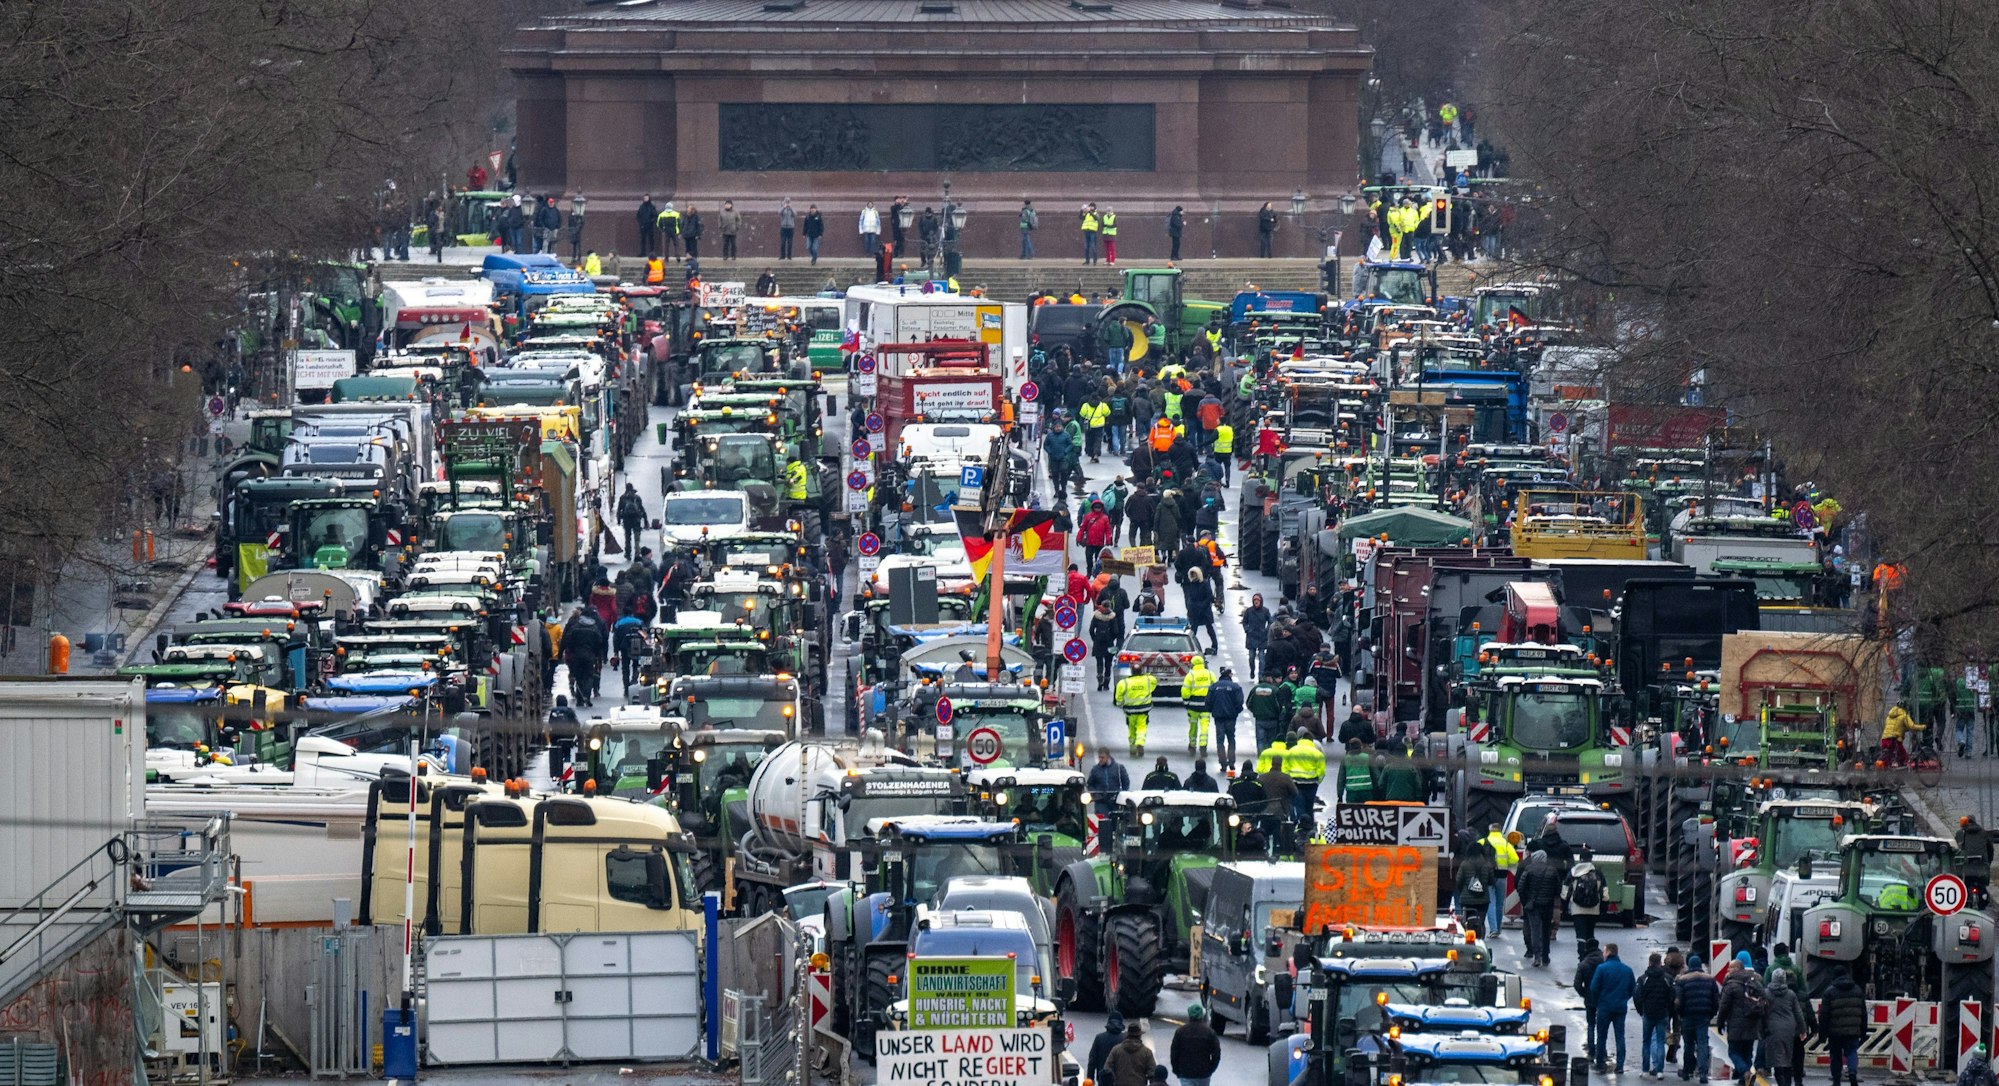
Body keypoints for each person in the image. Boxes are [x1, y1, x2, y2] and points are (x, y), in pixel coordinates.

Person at [1716, 951, 1767, 1086]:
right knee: (1747, 1053)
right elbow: (1764, 999)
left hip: (1736, 1024)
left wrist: (1720, 1023)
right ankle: (1744, 1080)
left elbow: (1724, 1006)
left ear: (1737, 968)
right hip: (1753, 1023)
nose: (1728, 970)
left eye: (1730, 968)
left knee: (1733, 1052)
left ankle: (1745, 1072)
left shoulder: (1731, 984)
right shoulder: (1756, 981)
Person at [1589, 943, 1635, 1075]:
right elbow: (1632, 989)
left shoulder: (1601, 968)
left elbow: (1593, 987)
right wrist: (1624, 998)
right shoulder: (1627, 970)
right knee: (1620, 1036)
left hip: (1604, 1007)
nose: (1603, 955)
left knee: (1602, 1036)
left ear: (1608, 952)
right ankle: (1620, 1065)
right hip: (1620, 1008)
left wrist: (1598, 1001)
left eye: (1604, 952)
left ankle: (1600, 1063)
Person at [1762, 969, 1813, 1086]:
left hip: (1772, 1028)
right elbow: (1798, 1013)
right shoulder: (1790, 994)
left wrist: (1761, 1028)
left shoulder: (1766, 993)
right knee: (1787, 1058)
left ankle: (1781, 1083)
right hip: (1789, 1028)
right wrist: (1803, 1029)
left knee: (1776, 1060)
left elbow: (1762, 1012)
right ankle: (1788, 1083)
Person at [1674, 955, 1720, 1083]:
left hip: (1688, 1015)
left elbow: (1679, 1001)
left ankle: (1687, 1071)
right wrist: (1711, 1014)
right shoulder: (1710, 979)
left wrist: (1680, 1014)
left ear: (1689, 965)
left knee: (1688, 1044)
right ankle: (1703, 1073)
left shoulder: (1682, 980)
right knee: (1702, 1043)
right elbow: (1715, 1000)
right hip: (1704, 1016)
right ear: (1700, 965)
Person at [1517, 850, 1562, 967]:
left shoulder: (1529, 869)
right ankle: (1545, 956)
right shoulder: (1552, 870)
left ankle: (1537, 956)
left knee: (1535, 930)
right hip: (1548, 905)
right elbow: (1558, 889)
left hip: (1533, 905)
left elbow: (1521, 887)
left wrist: (1526, 901)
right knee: (1546, 930)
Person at [1636, 951, 1677, 1080]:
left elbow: (1637, 996)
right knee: (1660, 1042)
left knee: (1646, 1042)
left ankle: (1645, 1070)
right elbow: (1672, 996)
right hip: (1662, 1013)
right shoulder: (1667, 979)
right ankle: (1660, 1070)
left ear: (1649, 962)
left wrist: (1641, 1010)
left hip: (1648, 1013)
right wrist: (1668, 1010)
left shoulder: (1643, 978)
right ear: (1660, 963)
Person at [1169, 1003, 1222, 1086]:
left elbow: (1174, 1053)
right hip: (1203, 1073)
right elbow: (1216, 1054)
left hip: (1185, 1072)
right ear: (1201, 1016)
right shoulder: (1209, 1032)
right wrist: (1210, 1069)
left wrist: (1176, 1070)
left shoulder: (1180, 1032)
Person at [1564, 846, 1606, 946]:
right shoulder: (1598, 873)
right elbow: (1605, 893)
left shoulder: (1573, 872)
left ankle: (1581, 951)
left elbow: (1565, 891)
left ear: (1580, 858)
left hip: (1577, 908)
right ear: (1591, 859)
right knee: (1590, 933)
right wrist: (1603, 907)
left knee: (1580, 934)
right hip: (1594, 908)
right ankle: (1590, 950)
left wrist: (1565, 906)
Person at [1114, 665, 1158, 756]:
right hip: (1143, 710)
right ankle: (1140, 743)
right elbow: (1154, 681)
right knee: (1142, 727)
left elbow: (1118, 697)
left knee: (1131, 728)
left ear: (1131, 671)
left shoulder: (1124, 683)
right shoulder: (1148, 680)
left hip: (1130, 711)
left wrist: (1120, 703)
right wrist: (1146, 675)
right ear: (1141, 671)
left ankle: (1132, 746)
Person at [1455, 839, 1496, 937]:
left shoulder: (1464, 864)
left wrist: (1463, 890)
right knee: (1480, 921)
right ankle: (1480, 937)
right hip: (1483, 899)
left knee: (1467, 921)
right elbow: (1492, 881)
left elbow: (1458, 881)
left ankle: (1468, 935)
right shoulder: (1487, 864)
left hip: (1466, 900)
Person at [1574, 939, 1605, 1065]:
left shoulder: (1583, 964)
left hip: (1590, 998)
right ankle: (1602, 1050)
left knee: (1591, 1024)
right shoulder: (1604, 962)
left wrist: (1585, 994)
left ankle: (1591, 1051)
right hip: (1603, 998)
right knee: (1602, 1026)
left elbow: (1577, 984)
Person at [1208, 666, 1245, 767]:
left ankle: (1223, 762)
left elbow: (1208, 702)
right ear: (1229, 675)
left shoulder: (1214, 687)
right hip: (1231, 718)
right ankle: (1231, 761)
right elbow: (1239, 702)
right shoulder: (1235, 687)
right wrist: (1235, 712)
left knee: (1220, 740)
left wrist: (1212, 711)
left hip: (1218, 718)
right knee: (1231, 739)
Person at [1181, 654, 1216, 755]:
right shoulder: (1210, 674)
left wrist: (1186, 703)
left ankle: (1192, 745)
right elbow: (1214, 687)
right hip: (1206, 706)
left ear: (1192, 664)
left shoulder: (1190, 675)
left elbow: (1185, 691)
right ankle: (1203, 745)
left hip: (1193, 706)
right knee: (1205, 726)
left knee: (1193, 726)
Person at [1104, 1022, 1155, 1086]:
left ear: (1127, 1035)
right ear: (1139, 1036)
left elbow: (1107, 1069)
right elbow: (1152, 1073)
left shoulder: (1116, 1050)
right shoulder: (1146, 1052)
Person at [1087, 1012, 1127, 1086]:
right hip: (1121, 1080)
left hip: (1103, 1079)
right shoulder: (1125, 1039)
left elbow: (1092, 1061)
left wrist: (1090, 1079)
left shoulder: (1099, 1038)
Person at [1090, 600, 1121, 691]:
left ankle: (1100, 680)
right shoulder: (1112, 617)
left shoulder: (1097, 616)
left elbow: (1091, 629)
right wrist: (1111, 639)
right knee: (1108, 663)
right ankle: (1106, 683)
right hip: (1109, 643)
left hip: (1098, 642)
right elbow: (1116, 631)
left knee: (1099, 663)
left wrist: (1095, 639)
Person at [1241, 594, 1272, 676]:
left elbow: (1270, 621)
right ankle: (1252, 670)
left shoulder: (1265, 611)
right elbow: (1244, 622)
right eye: (1254, 600)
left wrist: (1266, 630)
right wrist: (1247, 629)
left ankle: (1260, 675)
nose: (1256, 601)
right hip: (1252, 636)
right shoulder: (1249, 611)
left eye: (1258, 600)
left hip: (1262, 636)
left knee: (1261, 658)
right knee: (1251, 657)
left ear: (1261, 601)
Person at [616, 483, 647, 555]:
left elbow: (619, 510)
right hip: (636, 520)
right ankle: (637, 552)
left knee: (627, 537)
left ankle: (628, 552)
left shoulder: (622, 498)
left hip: (626, 520)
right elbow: (642, 509)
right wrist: (645, 520)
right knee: (637, 539)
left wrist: (618, 520)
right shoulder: (637, 498)